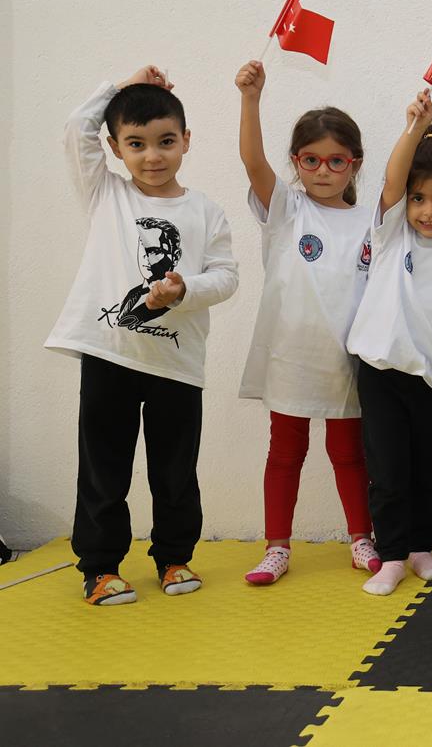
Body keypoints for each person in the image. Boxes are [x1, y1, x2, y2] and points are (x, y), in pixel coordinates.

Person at [47, 66, 238, 604]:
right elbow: (73, 129)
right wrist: (119, 87)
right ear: (115, 148)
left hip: (177, 364)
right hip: (110, 353)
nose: (152, 156)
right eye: (136, 144)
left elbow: (226, 277)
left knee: (175, 470)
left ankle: (174, 559)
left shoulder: (206, 211)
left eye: (165, 142)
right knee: (104, 465)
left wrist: (183, 290)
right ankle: (100, 568)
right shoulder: (104, 194)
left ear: (186, 142)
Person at [235, 59, 378, 585]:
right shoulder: (287, 209)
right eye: (311, 160)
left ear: (355, 165)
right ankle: (276, 547)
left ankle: (361, 538)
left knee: (348, 453)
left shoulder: (371, 220)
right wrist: (251, 98)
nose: (322, 170)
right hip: (290, 357)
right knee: (286, 452)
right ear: (296, 162)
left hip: (346, 360)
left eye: (335, 161)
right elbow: (252, 161)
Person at [345, 90, 432, 595]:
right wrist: (416, 127)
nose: (428, 211)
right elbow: (394, 180)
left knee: (427, 468)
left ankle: (421, 547)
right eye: (419, 199)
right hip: (381, 369)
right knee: (389, 469)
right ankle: (392, 554)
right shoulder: (394, 234)